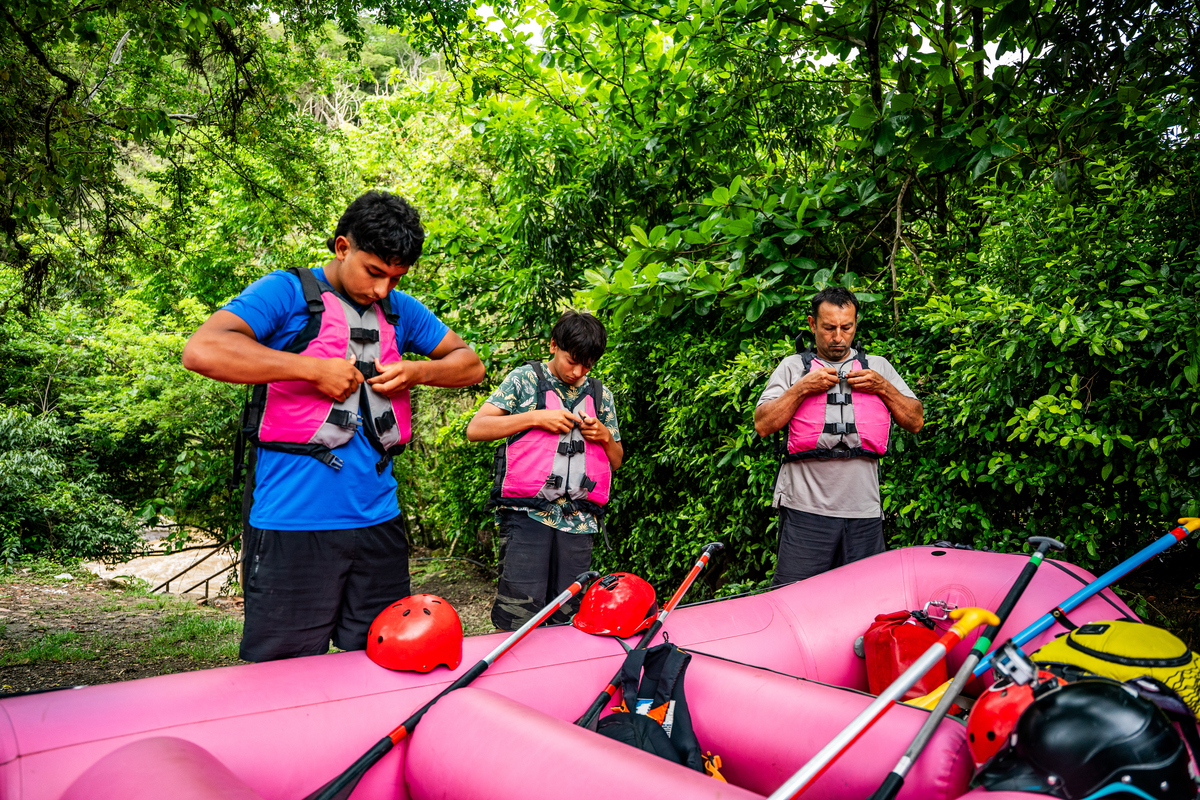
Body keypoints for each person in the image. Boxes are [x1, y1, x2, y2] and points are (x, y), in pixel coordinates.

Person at [181, 190, 484, 661]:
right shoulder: (285, 293)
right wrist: (310, 368)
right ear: (343, 247)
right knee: (283, 673)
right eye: (374, 272)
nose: (383, 289)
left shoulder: (400, 311)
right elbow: (202, 350)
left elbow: (469, 365)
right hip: (292, 523)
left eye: (395, 277)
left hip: (378, 521)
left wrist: (419, 370)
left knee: (387, 663)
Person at [753, 287, 923, 585]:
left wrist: (883, 387)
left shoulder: (878, 367)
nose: (838, 337)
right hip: (804, 508)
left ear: (856, 323)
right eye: (829, 328)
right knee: (795, 600)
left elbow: (915, 420)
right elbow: (764, 424)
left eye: (847, 327)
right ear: (812, 324)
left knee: (866, 602)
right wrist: (803, 388)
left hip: (863, 510)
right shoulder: (793, 368)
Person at [466, 311, 623, 631]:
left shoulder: (599, 394)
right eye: (572, 361)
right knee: (519, 613)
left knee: (569, 614)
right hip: (527, 516)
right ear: (553, 345)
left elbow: (616, 459)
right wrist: (535, 418)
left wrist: (605, 436)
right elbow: (476, 428)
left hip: (579, 523)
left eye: (587, 365)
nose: (577, 372)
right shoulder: (524, 380)